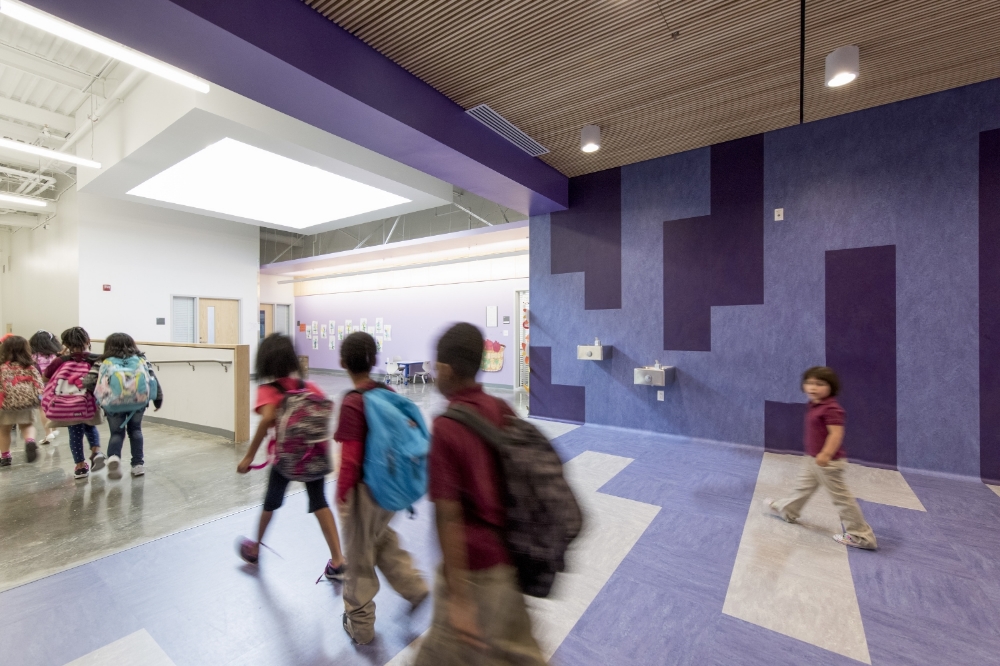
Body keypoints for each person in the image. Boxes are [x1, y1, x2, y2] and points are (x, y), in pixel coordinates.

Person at [415, 323, 545, 666]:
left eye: (435, 365)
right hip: (508, 558)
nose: (433, 372)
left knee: (440, 656)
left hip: (473, 569)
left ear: (447, 368)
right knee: (522, 654)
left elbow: (448, 515)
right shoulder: (501, 409)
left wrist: (458, 597)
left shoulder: (446, 427)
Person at [335, 331, 428, 645]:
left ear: (343, 362)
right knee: (382, 540)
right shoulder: (386, 392)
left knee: (359, 558)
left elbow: (349, 459)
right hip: (389, 491)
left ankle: (360, 627)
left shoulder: (352, 402)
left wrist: (342, 494)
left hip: (363, 493)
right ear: (374, 361)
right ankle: (415, 587)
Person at [236, 333, 345, 578]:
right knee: (319, 502)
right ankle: (338, 560)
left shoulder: (267, 391)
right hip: (313, 456)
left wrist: (248, 458)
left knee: (271, 502)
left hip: (284, 459)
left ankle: (254, 548)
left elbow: (266, 421)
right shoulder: (309, 387)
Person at [764, 366, 877, 550]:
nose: (813, 387)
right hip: (813, 459)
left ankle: (861, 536)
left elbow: (836, 434)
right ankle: (787, 510)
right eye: (809, 383)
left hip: (828, 462)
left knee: (841, 499)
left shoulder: (832, 409)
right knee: (803, 488)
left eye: (820, 384)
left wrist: (826, 454)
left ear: (831, 387)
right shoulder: (815, 404)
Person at [84, 333, 163, 479]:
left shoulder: (103, 361)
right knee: (136, 431)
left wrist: (101, 393)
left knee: (116, 433)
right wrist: (158, 400)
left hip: (112, 403)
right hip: (138, 403)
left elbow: (88, 382)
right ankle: (137, 465)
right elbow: (152, 379)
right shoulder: (141, 359)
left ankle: (114, 458)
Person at [44, 327, 105, 479]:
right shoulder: (96, 358)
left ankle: (80, 467)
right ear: (87, 341)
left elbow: (45, 378)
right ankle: (96, 452)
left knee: (75, 433)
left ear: (65, 344)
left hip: (66, 405)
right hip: (88, 401)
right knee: (90, 427)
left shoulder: (60, 360)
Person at [0, 336, 45, 466]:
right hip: (27, 402)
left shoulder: (2, 367)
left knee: (4, 429)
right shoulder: (30, 367)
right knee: (27, 425)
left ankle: (5, 456)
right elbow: (39, 384)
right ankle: (29, 441)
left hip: (6, 403)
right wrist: (41, 400)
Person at [29, 330, 61, 446]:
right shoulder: (55, 356)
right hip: (55, 386)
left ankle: (48, 433)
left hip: (40, 387)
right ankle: (55, 429)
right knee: (53, 407)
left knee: (43, 408)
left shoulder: (33, 357)